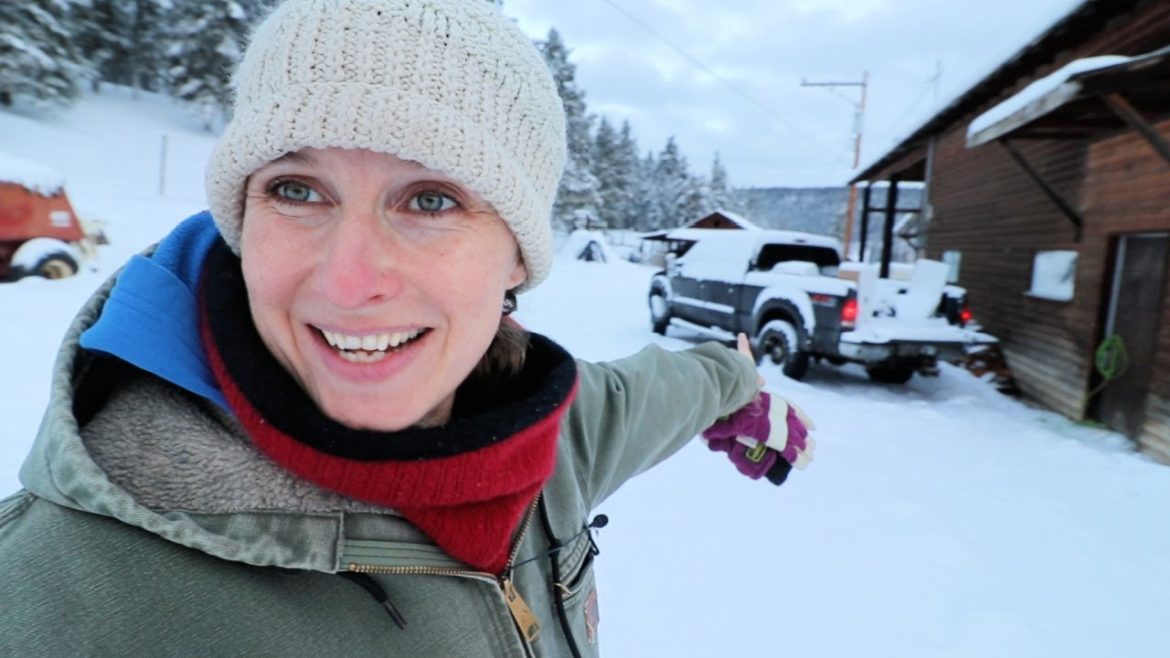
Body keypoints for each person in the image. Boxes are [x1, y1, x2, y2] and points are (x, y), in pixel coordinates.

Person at [0, 0, 815, 656]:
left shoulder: (552, 433)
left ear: (517, 262)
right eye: (296, 190)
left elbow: (661, 390)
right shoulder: (58, 594)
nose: (350, 283)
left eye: (431, 199)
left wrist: (733, 388)